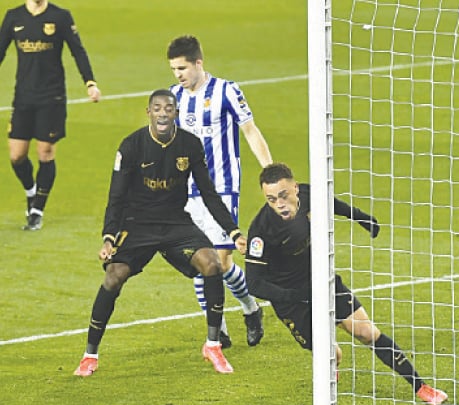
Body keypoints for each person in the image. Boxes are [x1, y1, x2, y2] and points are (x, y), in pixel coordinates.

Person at [244, 163, 449, 405]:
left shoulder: (308, 195)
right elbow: (254, 284)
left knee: (367, 332)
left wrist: (360, 217)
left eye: (283, 195)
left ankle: (422, 387)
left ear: (295, 188)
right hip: (291, 301)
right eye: (271, 199)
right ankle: (332, 363)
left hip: (322, 281)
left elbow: (331, 203)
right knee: (332, 354)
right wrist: (296, 295)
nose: (279, 204)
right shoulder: (261, 231)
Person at [74, 90, 247, 377]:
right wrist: (109, 237)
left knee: (212, 264)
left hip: (176, 223)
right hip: (137, 224)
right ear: (149, 112)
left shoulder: (190, 145)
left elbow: (208, 192)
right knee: (114, 276)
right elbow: (116, 196)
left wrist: (233, 231)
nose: (163, 113)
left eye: (168, 108)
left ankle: (213, 345)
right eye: (157, 108)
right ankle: (89, 355)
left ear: (176, 113)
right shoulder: (131, 146)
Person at [167, 35, 272, 349]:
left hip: (223, 187)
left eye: (182, 68)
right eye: (173, 69)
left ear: (198, 63)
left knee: (222, 263)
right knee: (200, 261)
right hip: (187, 192)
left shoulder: (227, 91)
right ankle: (219, 331)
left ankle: (250, 308)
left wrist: (270, 173)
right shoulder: (174, 97)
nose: (178, 75)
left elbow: (250, 130)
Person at [0, 0, 101, 231]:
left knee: (45, 152)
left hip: (52, 97)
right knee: (16, 155)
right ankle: (31, 191)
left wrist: (90, 83)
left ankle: (37, 210)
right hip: (23, 97)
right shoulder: (13, 17)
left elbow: (77, 50)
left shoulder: (60, 16)